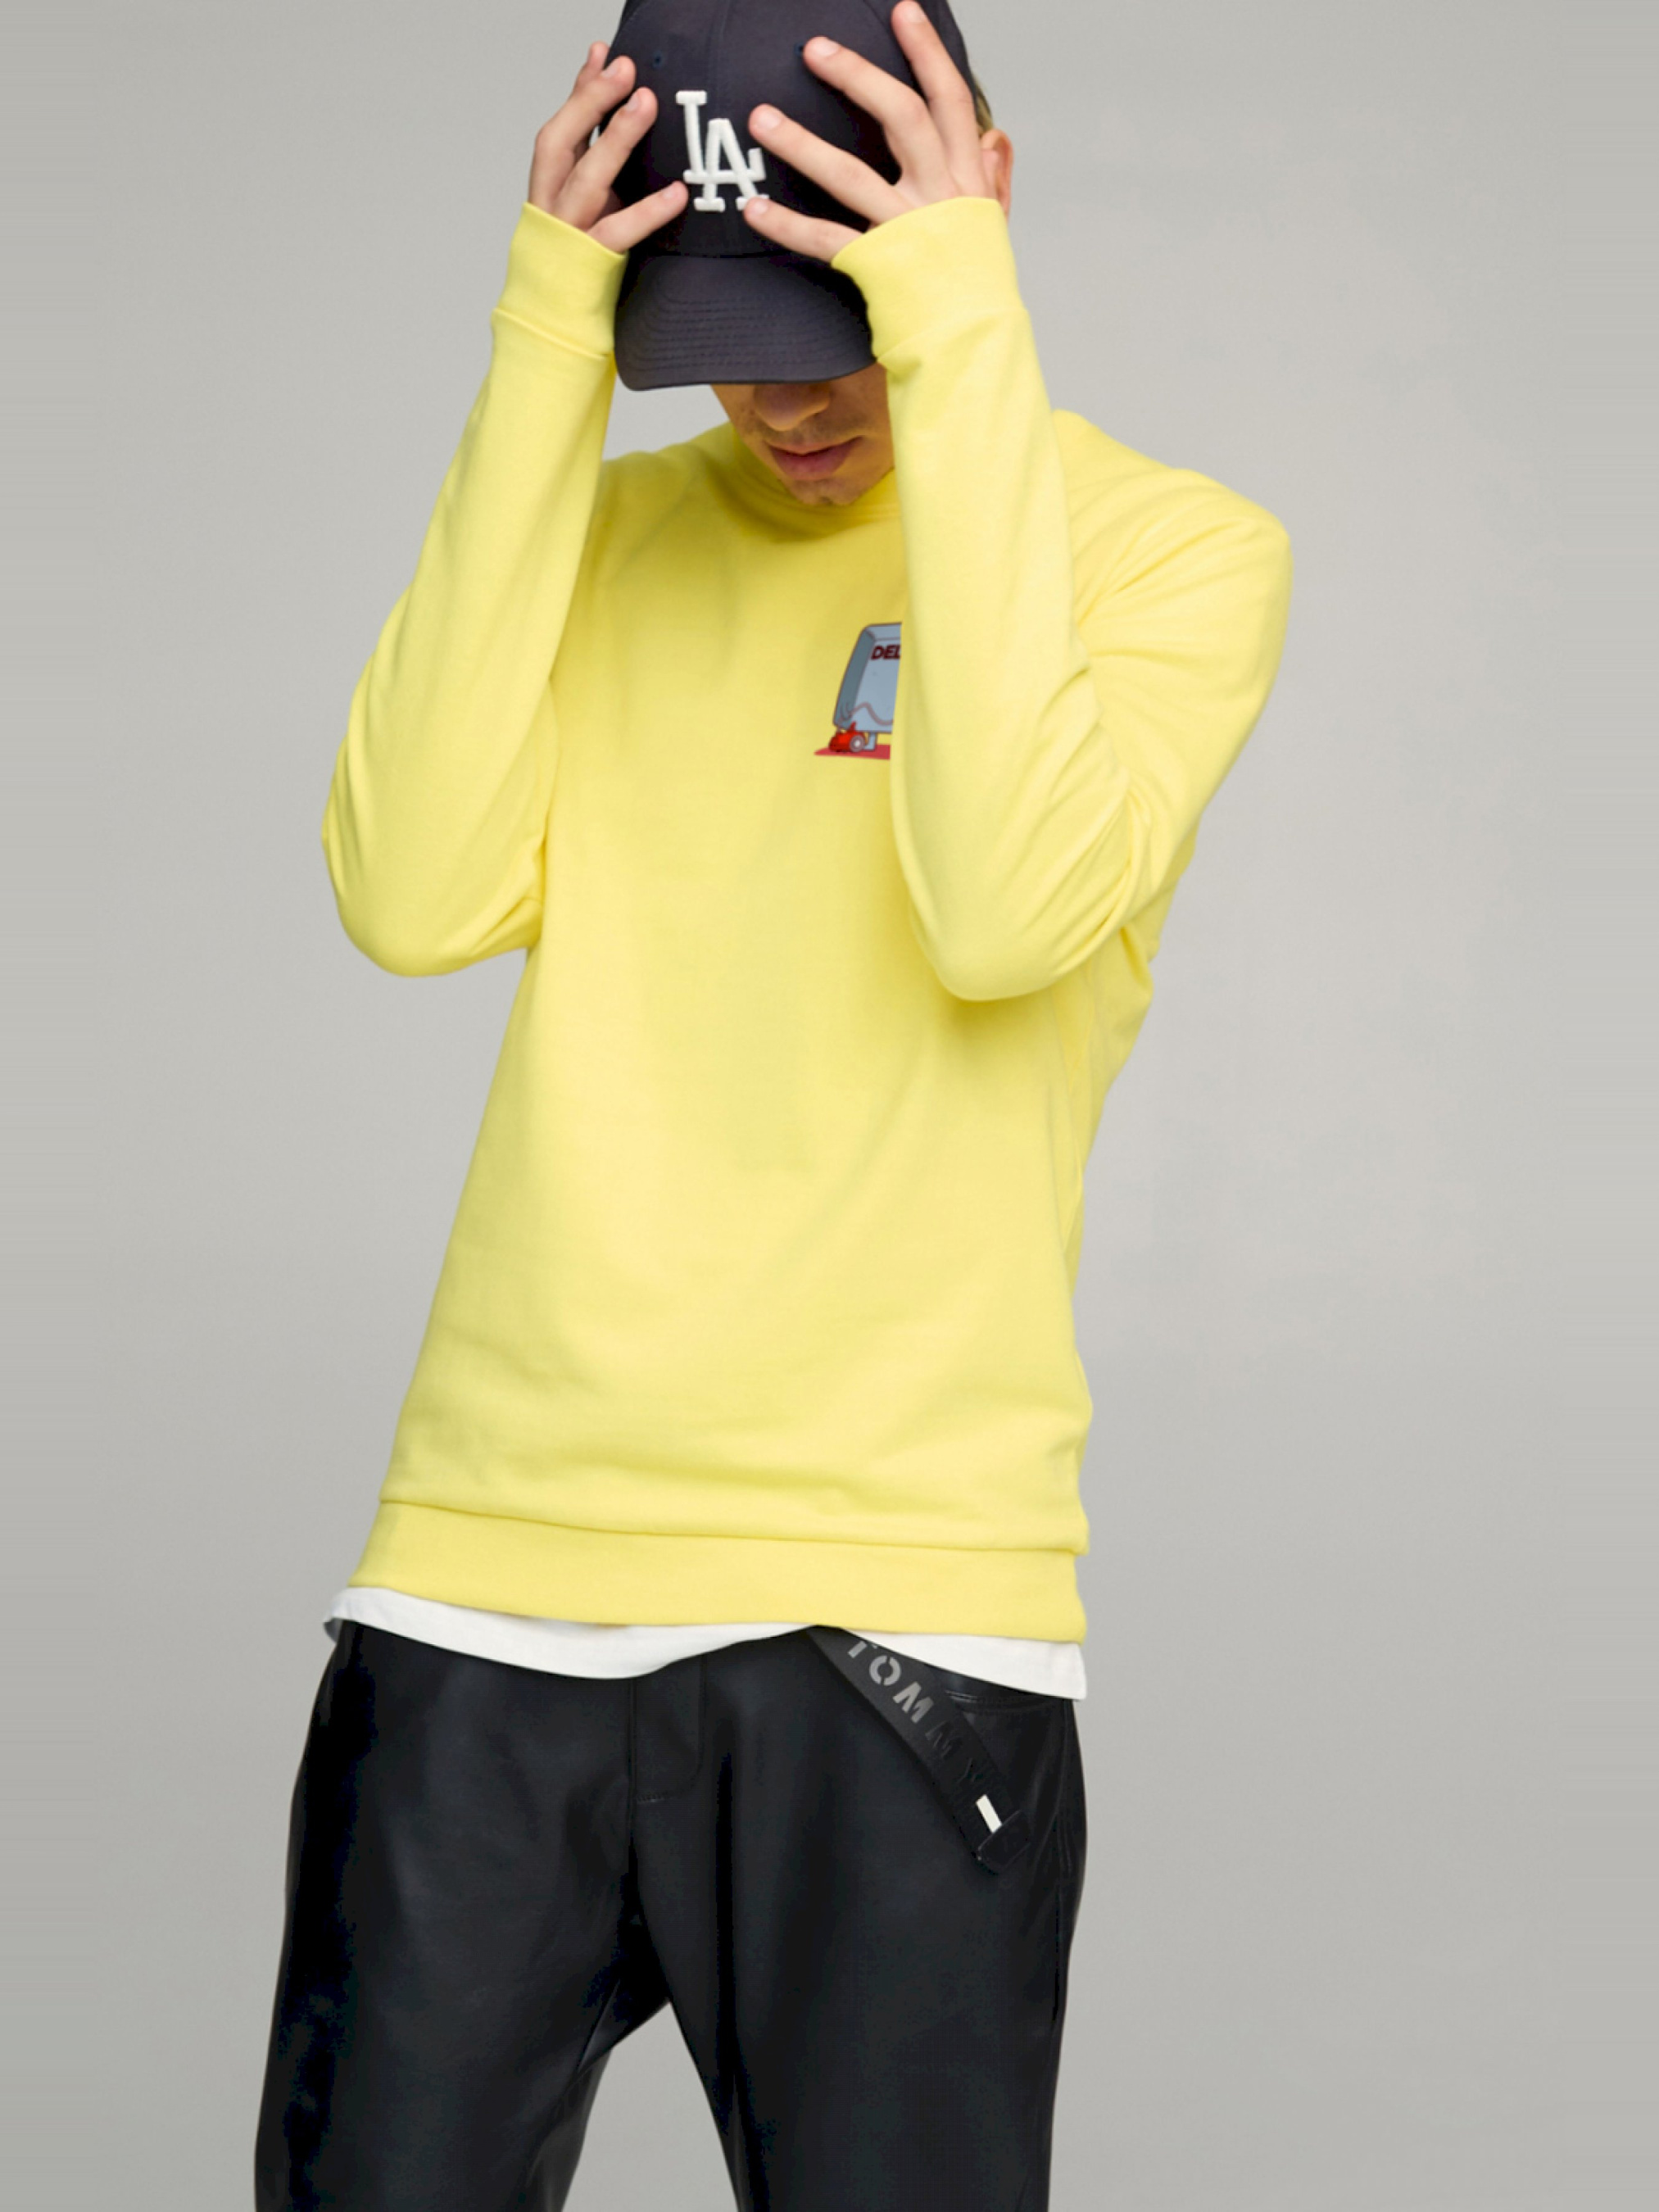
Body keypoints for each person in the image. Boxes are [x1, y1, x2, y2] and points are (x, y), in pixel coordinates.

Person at [255, 2, 1293, 2205]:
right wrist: (550, 337)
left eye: (834, 326)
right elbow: (409, 895)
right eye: (719, 342)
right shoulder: (605, 529)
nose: (790, 399)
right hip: (486, 1582)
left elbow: (1004, 911)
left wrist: (957, 335)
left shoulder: (1169, 550)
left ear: (977, 205)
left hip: (892, 1610)